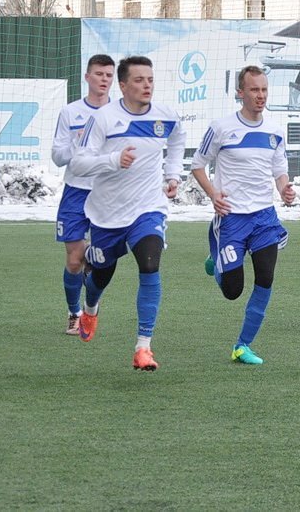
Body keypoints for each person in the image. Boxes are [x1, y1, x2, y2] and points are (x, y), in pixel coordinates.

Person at [68, 55, 185, 371]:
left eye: (150, 79)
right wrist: (113, 160)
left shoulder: (165, 116)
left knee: (150, 263)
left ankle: (143, 347)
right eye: (139, 80)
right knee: (100, 276)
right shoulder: (104, 119)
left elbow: (177, 138)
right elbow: (78, 163)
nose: (147, 85)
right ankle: (90, 308)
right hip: (107, 214)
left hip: (148, 208)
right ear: (122, 86)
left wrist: (173, 175)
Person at [192, 65, 296, 365]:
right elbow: (198, 165)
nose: (260, 95)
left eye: (264, 89)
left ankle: (242, 346)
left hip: (264, 218)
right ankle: (216, 258)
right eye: (254, 90)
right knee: (232, 290)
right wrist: (213, 194)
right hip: (232, 218)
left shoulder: (275, 131)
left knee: (266, 277)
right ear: (240, 92)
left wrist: (285, 189)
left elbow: (279, 170)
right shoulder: (221, 128)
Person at [51, 54, 115, 335]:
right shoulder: (70, 112)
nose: (104, 79)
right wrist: (79, 145)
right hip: (76, 191)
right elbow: (57, 156)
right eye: (99, 74)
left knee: (101, 259)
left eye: (109, 75)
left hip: (108, 193)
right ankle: (74, 312)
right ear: (87, 77)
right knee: (75, 259)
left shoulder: (120, 113)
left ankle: (91, 303)